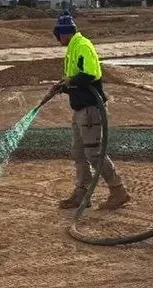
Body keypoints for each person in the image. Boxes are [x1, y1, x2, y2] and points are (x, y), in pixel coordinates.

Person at [52, 12, 130, 210]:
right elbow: (77, 77)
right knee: (78, 153)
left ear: (64, 33)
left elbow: (91, 74)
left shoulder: (82, 46)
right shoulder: (72, 47)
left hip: (90, 110)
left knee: (94, 153)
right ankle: (82, 194)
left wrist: (71, 81)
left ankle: (118, 190)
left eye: (58, 34)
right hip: (79, 109)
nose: (57, 38)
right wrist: (65, 85)